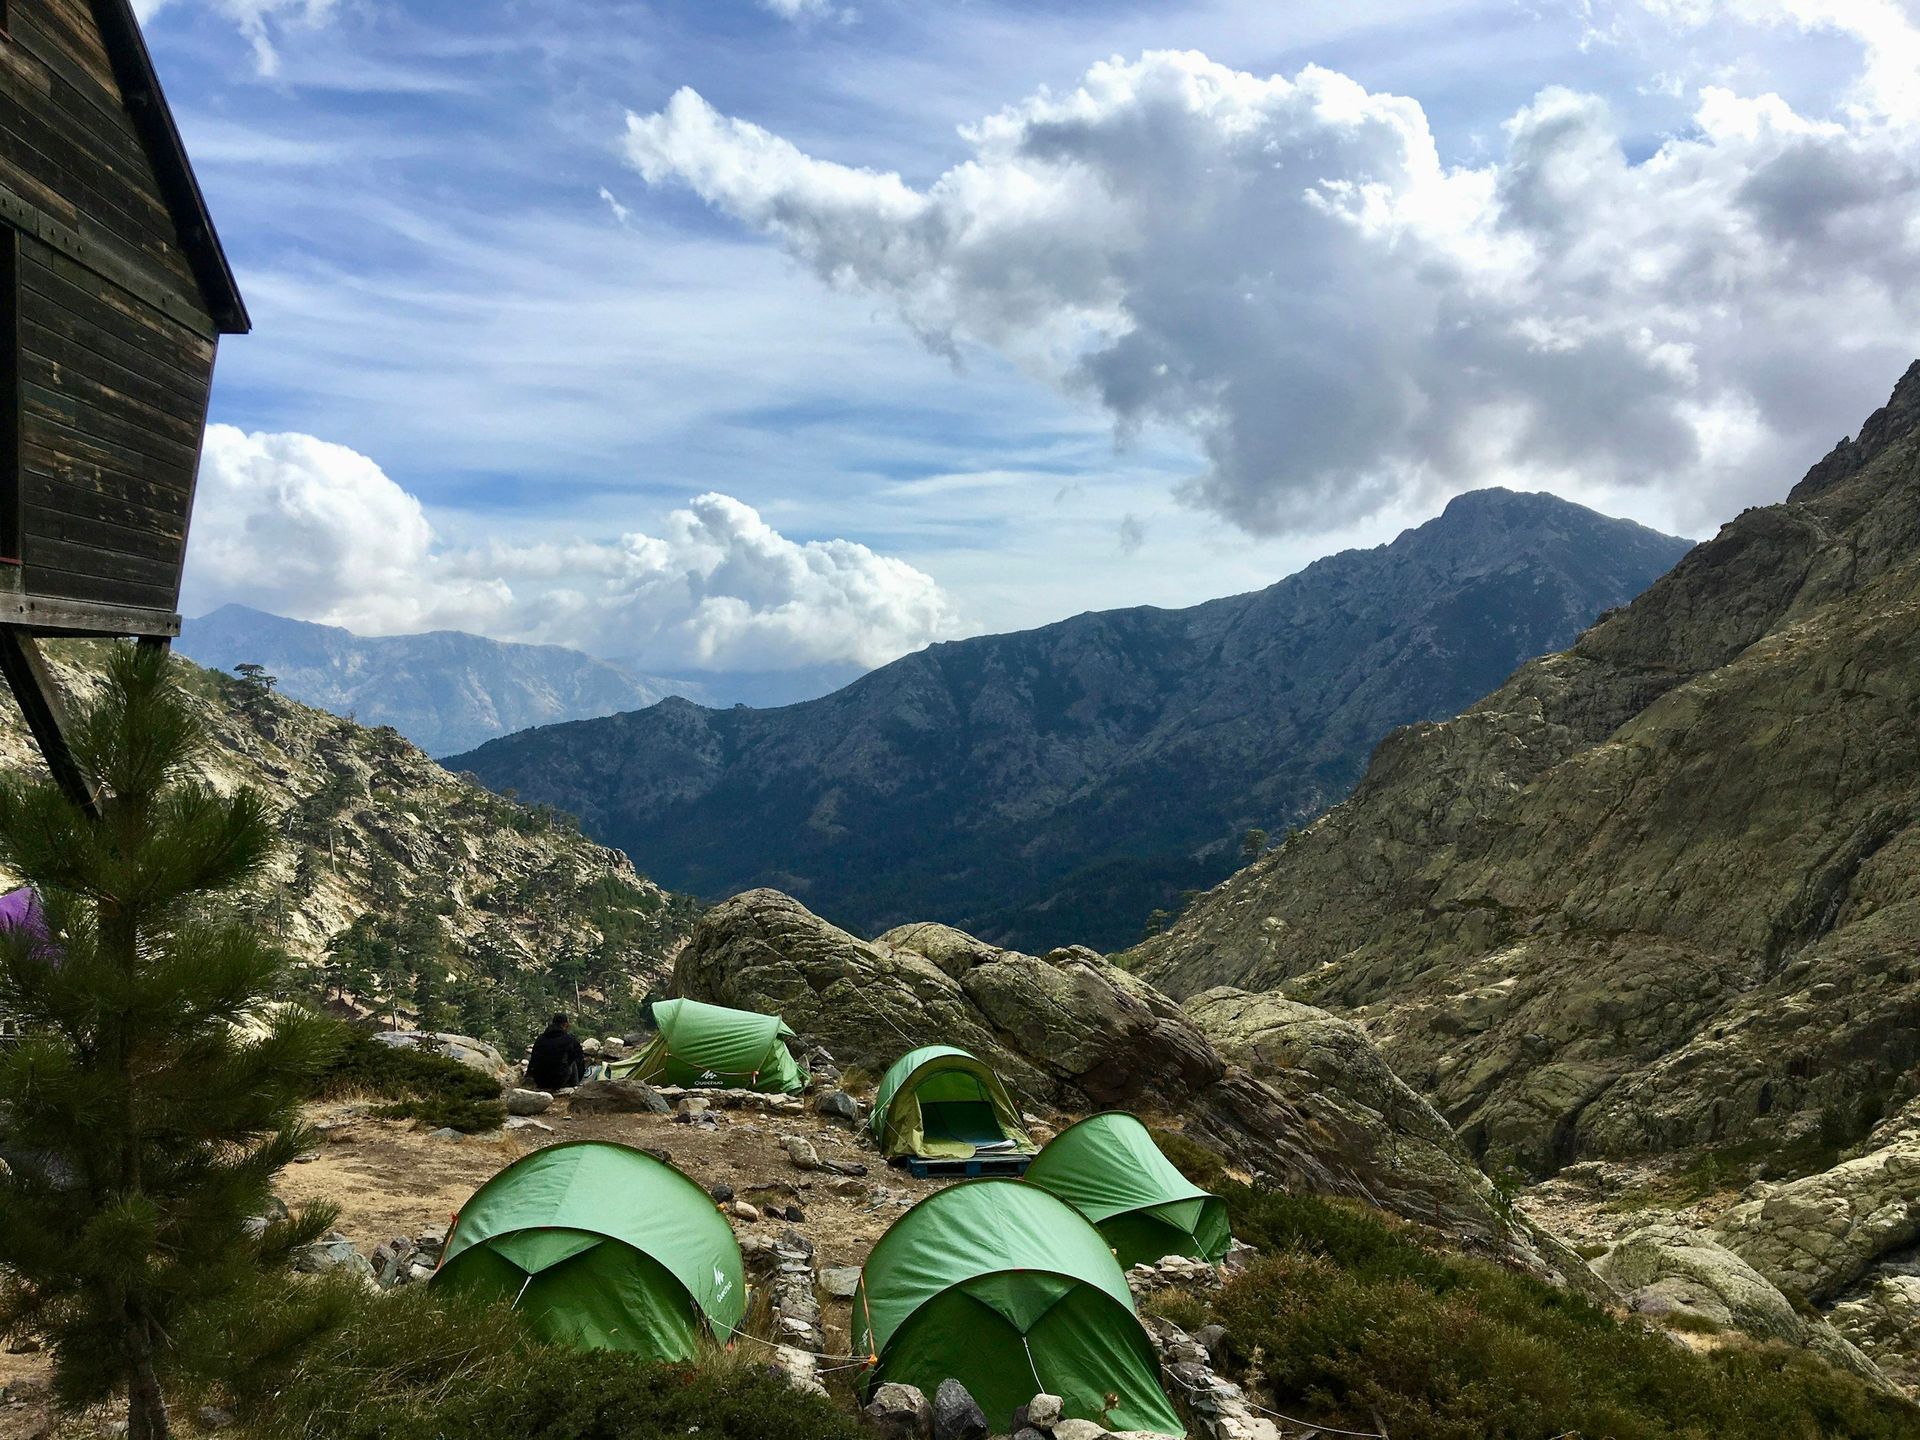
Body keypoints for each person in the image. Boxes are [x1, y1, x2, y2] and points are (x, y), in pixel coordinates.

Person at [526, 1013, 585, 1091]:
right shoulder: (569, 1039)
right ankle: (575, 1087)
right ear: (565, 1024)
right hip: (558, 1081)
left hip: (540, 1081)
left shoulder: (540, 1039)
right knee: (573, 1062)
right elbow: (579, 1058)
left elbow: (533, 1060)